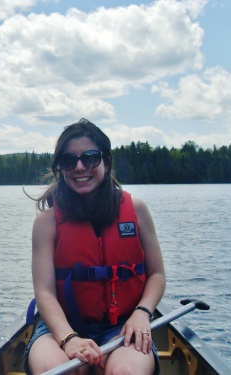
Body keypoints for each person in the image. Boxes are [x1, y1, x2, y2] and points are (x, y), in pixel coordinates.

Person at [26, 119, 166, 375]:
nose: (80, 167)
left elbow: (156, 274)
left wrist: (143, 313)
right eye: (69, 161)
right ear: (61, 168)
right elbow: (44, 293)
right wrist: (68, 338)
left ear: (106, 161)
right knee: (57, 370)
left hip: (124, 325)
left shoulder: (136, 210)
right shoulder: (46, 223)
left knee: (125, 372)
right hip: (60, 326)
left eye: (90, 158)